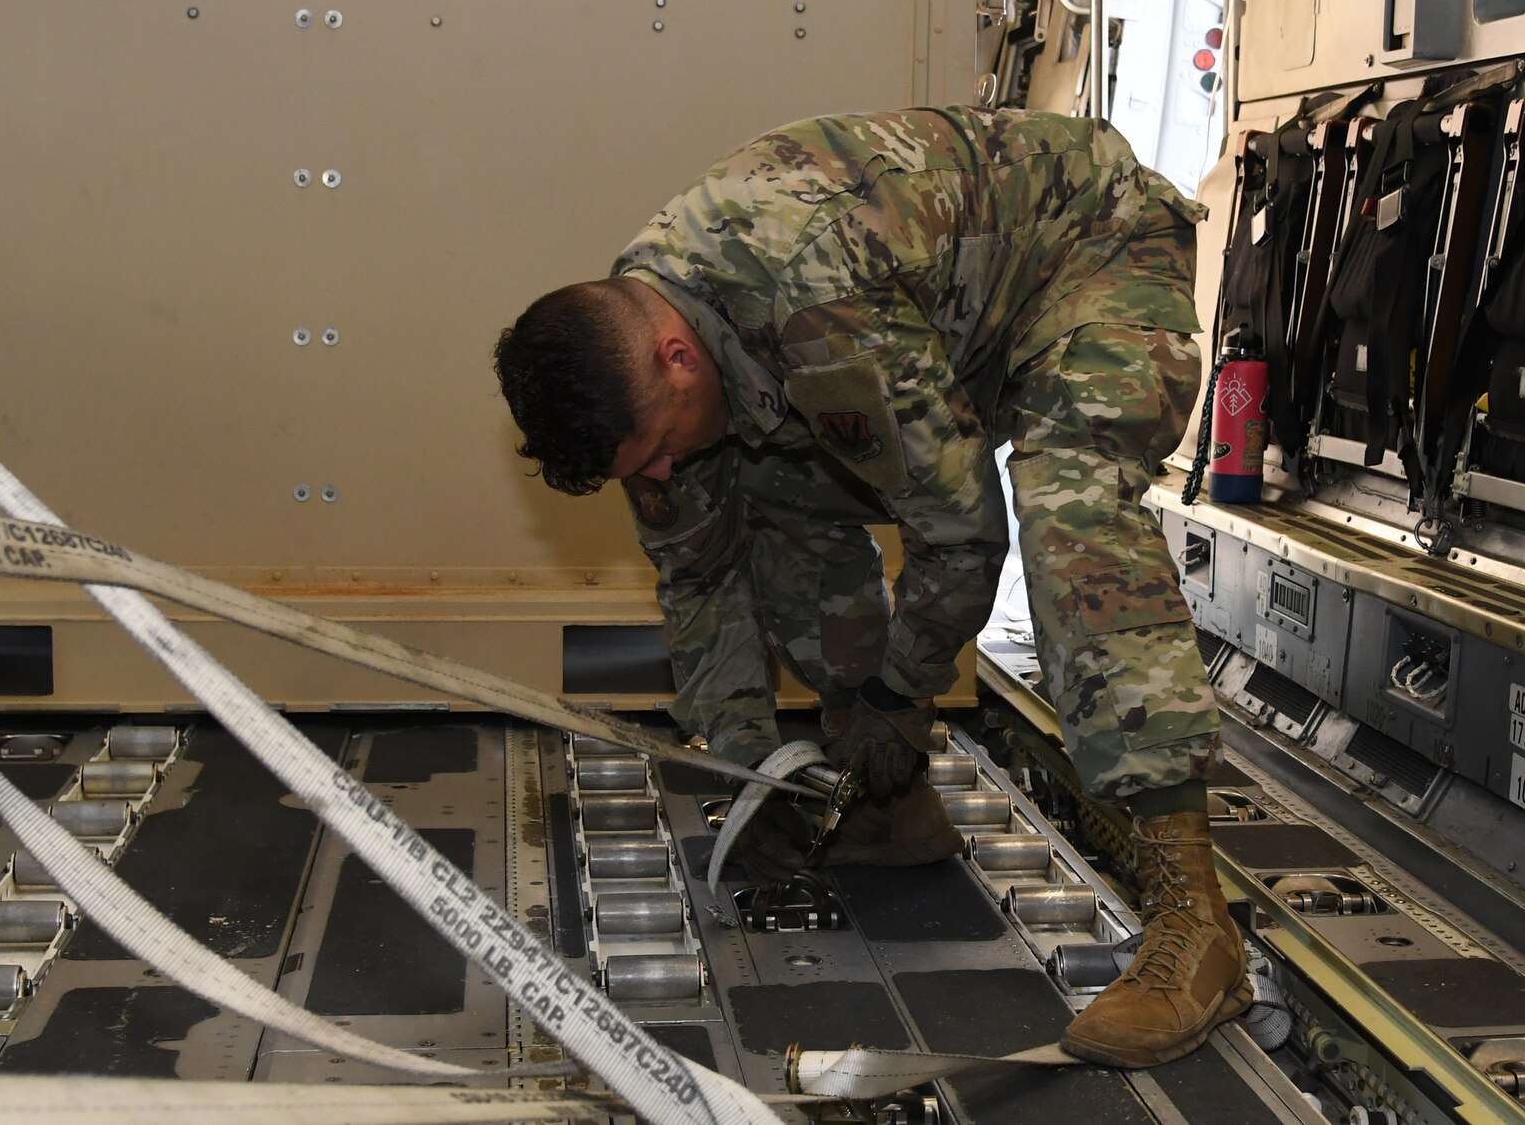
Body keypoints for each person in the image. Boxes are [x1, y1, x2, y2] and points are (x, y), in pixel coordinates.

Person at [493, 107, 1248, 1067]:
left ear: (677, 361)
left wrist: (904, 691)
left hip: (1088, 253)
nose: (654, 479)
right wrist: (744, 767)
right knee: (760, 497)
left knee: (1070, 506)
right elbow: (698, 578)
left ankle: (1197, 924)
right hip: (940, 322)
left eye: (654, 452)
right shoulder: (633, 346)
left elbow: (961, 528)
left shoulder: (804, 292)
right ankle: (882, 802)